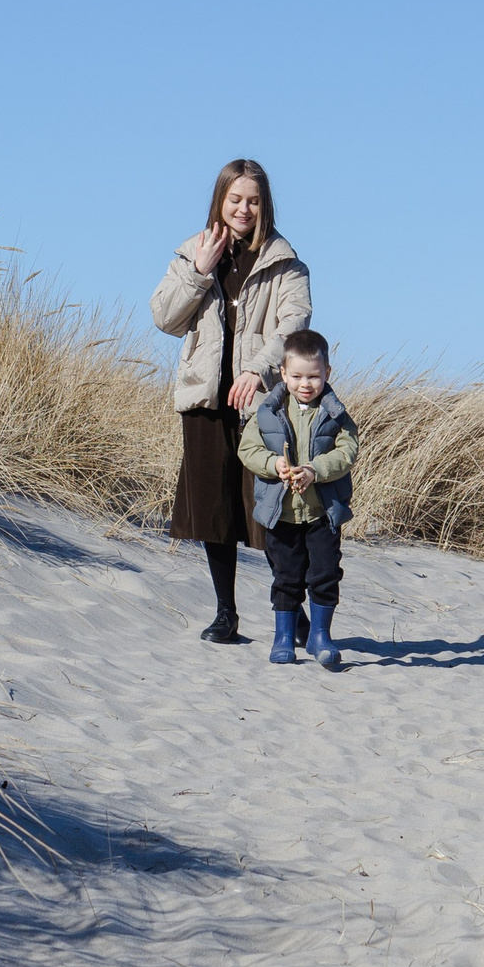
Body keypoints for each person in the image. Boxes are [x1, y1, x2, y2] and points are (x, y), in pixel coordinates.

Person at [151, 160, 312, 645]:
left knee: (270, 509)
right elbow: (165, 318)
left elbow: (294, 326)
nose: (244, 209)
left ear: (265, 204)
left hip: (261, 404)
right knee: (214, 510)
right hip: (204, 399)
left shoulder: (286, 262)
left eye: (254, 200)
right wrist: (198, 272)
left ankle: (292, 612)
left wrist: (257, 369)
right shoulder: (192, 253)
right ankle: (226, 615)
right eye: (235, 199)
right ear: (220, 200)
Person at [238, 330, 358, 668]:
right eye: (297, 376)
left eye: (314, 377)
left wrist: (315, 470)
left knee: (325, 574)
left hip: (323, 512)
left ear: (327, 373)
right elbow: (247, 450)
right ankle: (283, 638)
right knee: (286, 578)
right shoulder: (267, 411)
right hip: (282, 514)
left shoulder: (336, 414)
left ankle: (320, 636)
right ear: (283, 373)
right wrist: (273, 464)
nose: (305, 384)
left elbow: (347, 452)